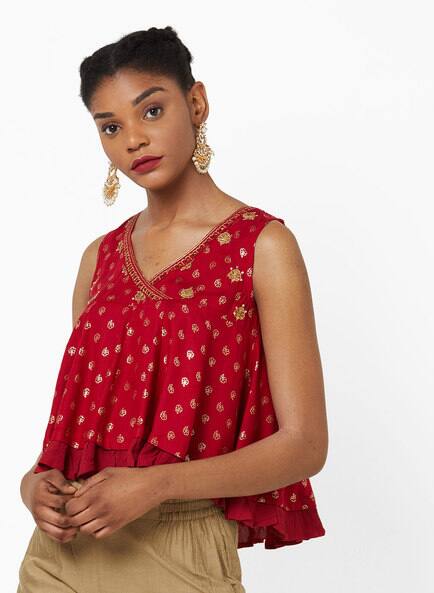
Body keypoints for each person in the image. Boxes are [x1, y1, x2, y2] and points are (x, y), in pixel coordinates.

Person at [16, 25, 328, 593]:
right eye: (111, 127)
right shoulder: (98, 258)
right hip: (60, 553)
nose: (133, 140)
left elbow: (304, 445)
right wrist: (33, 484)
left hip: (179, 553)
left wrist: (158, 484)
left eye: (152, 111)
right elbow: (83, 427)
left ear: (196, 103)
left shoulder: (262, 247)